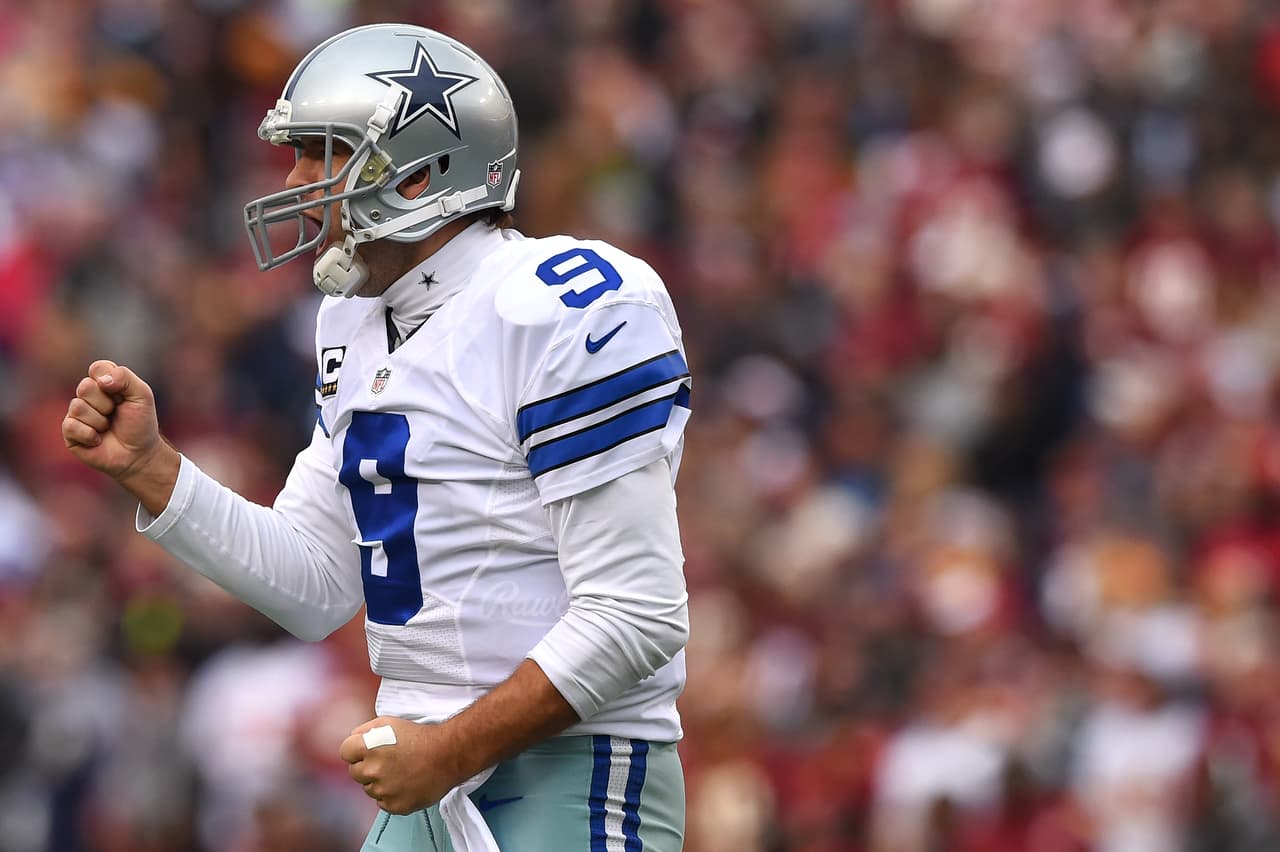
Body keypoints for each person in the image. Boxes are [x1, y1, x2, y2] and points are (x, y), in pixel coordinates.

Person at [61, 23, 691, 852]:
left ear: (422, 171)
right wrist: (154, 471)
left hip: (569, 769)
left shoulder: (563, 305)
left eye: (324, 152)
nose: (296, 180)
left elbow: (638, 613)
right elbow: (315, 583)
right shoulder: (356, 317)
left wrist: (449, 747)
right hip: (420, 775)